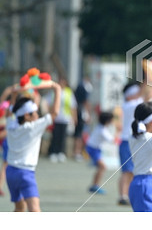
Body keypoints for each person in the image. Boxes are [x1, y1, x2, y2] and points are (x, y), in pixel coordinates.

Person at [6, 81, 61, 212]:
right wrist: (57, 89)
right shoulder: (32, 128)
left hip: (11, 172)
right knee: (35, 210)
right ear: (26, 115)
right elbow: (55, 113)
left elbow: (10, 111)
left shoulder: (11, 124)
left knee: (19, 208)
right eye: (35, 113)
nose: (37, 115)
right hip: (25, 173)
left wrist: (14, 94)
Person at [118, 82, 143, 206]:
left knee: (132, 171)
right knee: (127, 170)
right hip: (126, 141)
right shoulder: (129, 105)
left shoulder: (133, 103)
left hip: (132, 140)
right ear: (129, 96)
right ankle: (123, 195)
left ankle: (127, 195)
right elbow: (146, 95)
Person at [47, 78, 77, 163]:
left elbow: (72, 106)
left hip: (65, 118)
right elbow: (49, 103)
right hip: (55, 118)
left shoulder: (68, 92)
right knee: (55, 136)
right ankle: (53, 152)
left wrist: (74, 117)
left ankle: (61, 152)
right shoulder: (54, 91)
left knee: (63, 136)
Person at [85, 111, 114, 194]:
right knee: (102, 167)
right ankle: (95, 186)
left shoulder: (100, 127)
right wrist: (119, 131)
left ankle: (94, 185)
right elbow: (113, 141)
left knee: (100, 167)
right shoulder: (102, 130)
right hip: (93, 149)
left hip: (95, 148)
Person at [73, 77, 93, 162]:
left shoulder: (79, 87)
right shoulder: (83, 87)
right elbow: (86, 102)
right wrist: (88, 113)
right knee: (80, 133)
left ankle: (79, 152)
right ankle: (77, 152)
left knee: (80, 133)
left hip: (80, 111)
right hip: (82, 112)